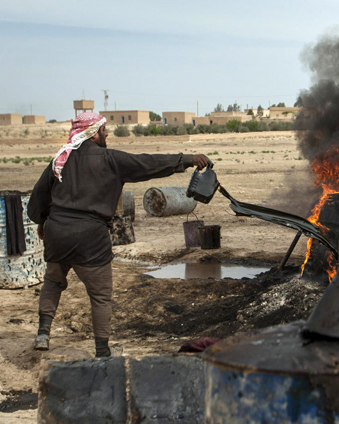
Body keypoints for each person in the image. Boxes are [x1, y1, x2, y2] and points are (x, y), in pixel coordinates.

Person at [27, 112, 209, 357]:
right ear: (93, 133)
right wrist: (186, 160)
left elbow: (39, 198)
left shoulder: (61, 159)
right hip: (90, 237)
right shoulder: (110, 160)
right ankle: (102, 351)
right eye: (104, 130)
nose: (107, 134)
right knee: (100, 296)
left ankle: (42, 334)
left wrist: (42, 221)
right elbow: (148, 163)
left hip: (57, 233)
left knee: (53, 281)